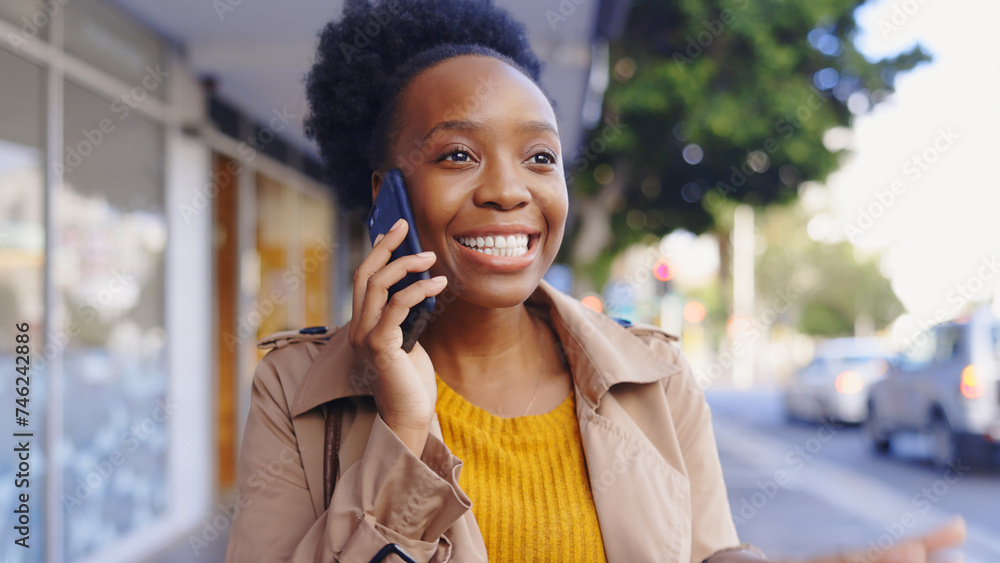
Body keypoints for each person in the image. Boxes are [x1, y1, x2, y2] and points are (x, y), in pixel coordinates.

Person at [225, 1, 966, 561]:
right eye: (458, 155)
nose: (509, 190)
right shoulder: (295, 391)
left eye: (540, 157)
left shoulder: (657, 376)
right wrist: (402, 430)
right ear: (387, 191)